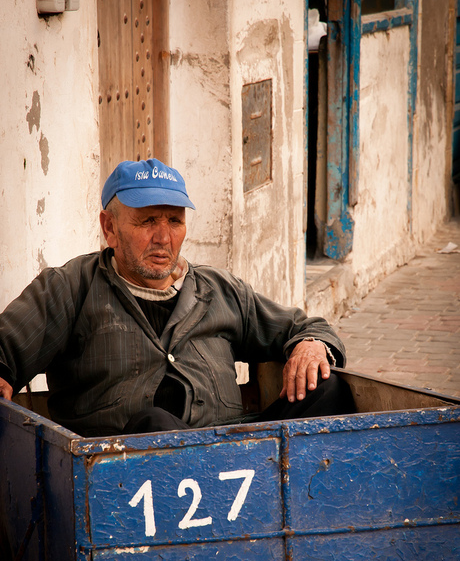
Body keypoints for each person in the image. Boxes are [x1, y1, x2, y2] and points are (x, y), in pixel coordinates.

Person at [0, 158, 353, 437]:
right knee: (155, 425)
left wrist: (309, 344)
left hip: (236, 453)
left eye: (174, 220)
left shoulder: (219, 289)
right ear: (110, 227)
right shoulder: (70, 287)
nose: (163, 237)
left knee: (327, 388)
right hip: (128, 473)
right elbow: (7, 347)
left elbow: (303, 326)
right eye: (147, 221)